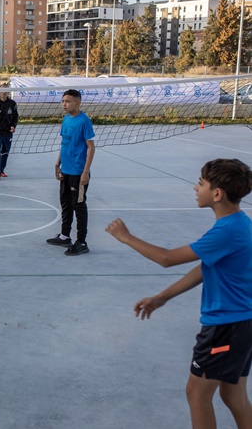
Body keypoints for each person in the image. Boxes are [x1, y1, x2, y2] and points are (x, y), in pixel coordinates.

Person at [105, 158, 252, 429]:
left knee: (197, 394)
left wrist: (125, 236)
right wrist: (162, 297)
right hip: (241, 324)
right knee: (233, 395)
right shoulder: (239, 224)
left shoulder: (226, 231)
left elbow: (166, 258)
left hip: (225, 327)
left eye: (201, 183)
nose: (196, 188)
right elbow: (205, 267)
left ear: (217, 194)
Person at [46, 89, 95, 256]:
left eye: (67, 101)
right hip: (65, 171)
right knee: (65, 204)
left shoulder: (84, 121)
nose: (64, 104)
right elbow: (64, 144)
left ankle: (81, 241)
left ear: (77, 103)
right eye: (63, 101)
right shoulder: (66, 119)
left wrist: (85, 172)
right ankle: (64, 236)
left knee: (79, 206)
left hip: (77, 172)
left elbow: (91, 148)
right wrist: (57, 164)